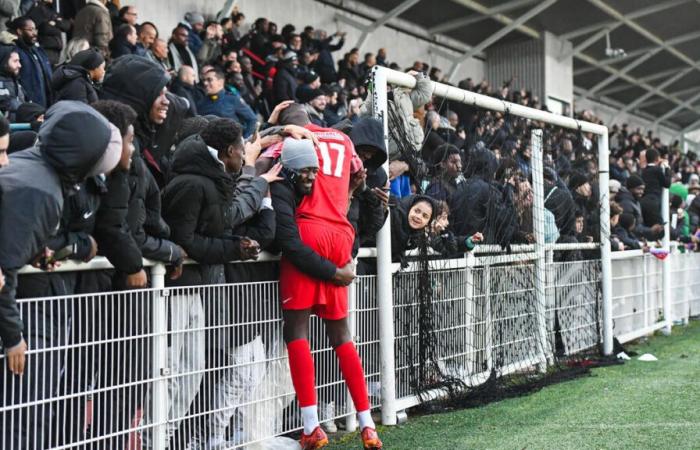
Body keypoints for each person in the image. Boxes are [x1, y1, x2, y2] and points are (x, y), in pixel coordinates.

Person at [0, 101, 116, 449]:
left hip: (31, 306)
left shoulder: (30, 171)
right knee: (24, 418)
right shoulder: (38, 190)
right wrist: (13, 336)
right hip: (26, 314)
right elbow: (4, 269)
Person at [270, 130, 382, 448]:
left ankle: (310, 426)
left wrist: (277, 127)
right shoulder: (346, 141)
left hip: (310, 228)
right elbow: (356, 177)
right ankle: (367, 423)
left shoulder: (301, 139)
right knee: (342, 337)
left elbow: (270, 154)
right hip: (341, 233)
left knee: (297, 333)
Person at [160, 118, 264, 449]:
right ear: (230, 151)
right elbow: (187, 241)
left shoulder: (211, 178)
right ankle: (160, 441)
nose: (246, 155)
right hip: (178, 290)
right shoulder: (193, 183)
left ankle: (174, 440)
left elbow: (213, 228)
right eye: (243, 149)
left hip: (197, 287)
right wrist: (233, 247)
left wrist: (234, 243)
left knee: (192, 373)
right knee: (174, 376)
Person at [197, 67, 256, 138]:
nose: (205, 83)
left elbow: (252, 119)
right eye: (204, 80)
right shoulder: (201, 103)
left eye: (209, 80)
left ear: (220, 82)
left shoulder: (232, 99)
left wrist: (245, 139)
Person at [9, 17, 53, 107]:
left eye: (35, 29)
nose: (34, 33)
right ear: (19, 31)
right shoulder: (14, 51)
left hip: (46, 104)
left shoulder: (39, 50)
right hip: (29, 107)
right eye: (30, 30)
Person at [0, 43, 27, 120]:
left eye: (19, 61)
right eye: (15, 61)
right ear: (4, 62)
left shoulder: (15, 81)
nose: (19, 65)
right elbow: (6, 105)